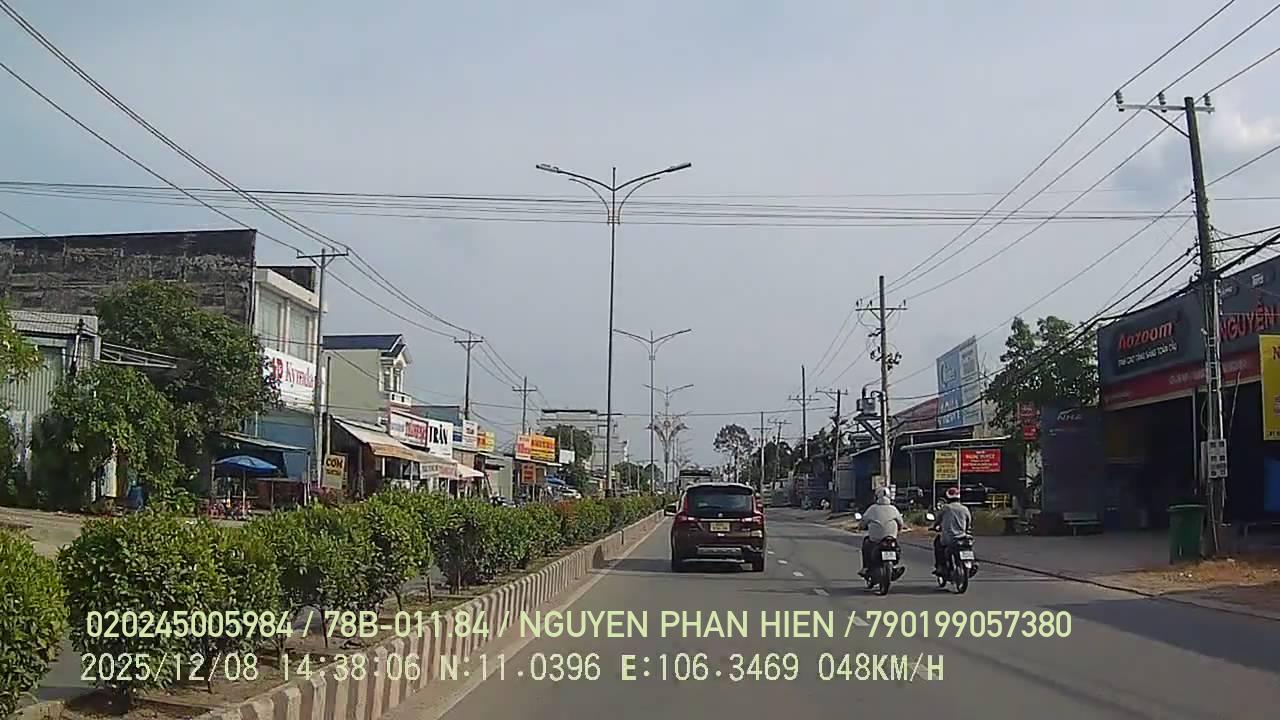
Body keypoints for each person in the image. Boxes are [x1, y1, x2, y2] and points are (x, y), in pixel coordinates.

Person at [859, 487, 904, 577]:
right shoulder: (894, 509)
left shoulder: (872, 509)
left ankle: (865, 567)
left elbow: (863, 522)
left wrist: (861, 527)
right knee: (896, 547)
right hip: (891, 538)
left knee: (866, 543)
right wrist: (899, 529)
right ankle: (894, 566)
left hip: (875, 539)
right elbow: (901, 523)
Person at [933, 486, 974, 575]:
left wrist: (934, 526)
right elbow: (969, 522)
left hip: (949, 538)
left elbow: (938, 519)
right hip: (963, 537)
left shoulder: (946, 508)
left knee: (938, 544)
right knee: (968, 546)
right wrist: (966, 529)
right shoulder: (965, 509)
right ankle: (972, 564)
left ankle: (941, 566)